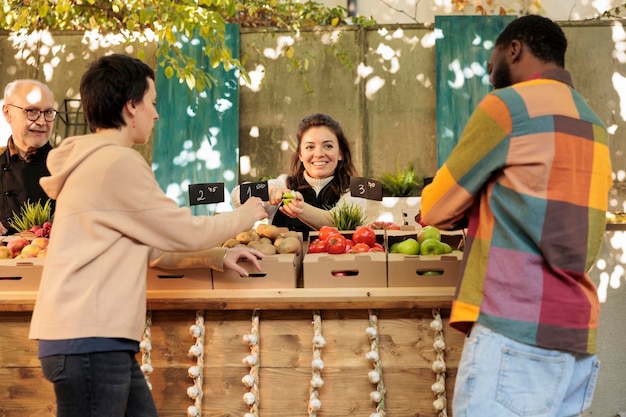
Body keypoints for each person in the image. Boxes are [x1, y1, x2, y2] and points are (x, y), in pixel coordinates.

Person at [28, 54, 268, 417]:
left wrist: (216, 257)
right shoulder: (116, 163)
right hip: (90, 341)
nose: (156, 115)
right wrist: (245, 215)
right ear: (130, 107)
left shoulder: (93, 162)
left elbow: (154, 250)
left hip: (90, 339)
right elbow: (183, 231)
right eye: (152, 103)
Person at [421, 15, 612, 417]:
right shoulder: (593, 124)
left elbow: (435, 208)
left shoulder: (508, 106)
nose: (491, 77)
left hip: (515, 330)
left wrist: (474, 201)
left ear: (514, 48)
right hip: (575, 338)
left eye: (492, 67)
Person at [232, 113, 361, 237]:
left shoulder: (353, 189)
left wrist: (300, 208)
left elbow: (340, 223)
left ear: (340, 153)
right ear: (300, 154)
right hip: (284, 259)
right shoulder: (284, 183)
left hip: (334, 259)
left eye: (328, 146)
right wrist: (268, 191)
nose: (319, 154)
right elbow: (238, 195)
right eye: (310, 147)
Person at [0, 79, 56, 235]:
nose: (42, 121)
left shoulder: (67, 165)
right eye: (32, 111)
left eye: (48, 112)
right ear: (7, 112)